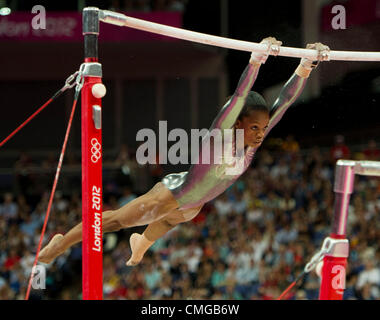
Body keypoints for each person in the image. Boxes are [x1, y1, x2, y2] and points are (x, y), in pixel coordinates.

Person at [38, 38, 329, 266]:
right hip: (174, 192)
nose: (261, 133)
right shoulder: (221, 135)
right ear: (237, 122)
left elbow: (285, 102)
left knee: (168, 221)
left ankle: (141, 243)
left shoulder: (253, 141)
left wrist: (305, 65)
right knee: (113, 221)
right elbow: (240, 95)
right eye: (254, 127)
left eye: (264, 128)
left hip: (194, 204)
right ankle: (61, 243)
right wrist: (257, 59)